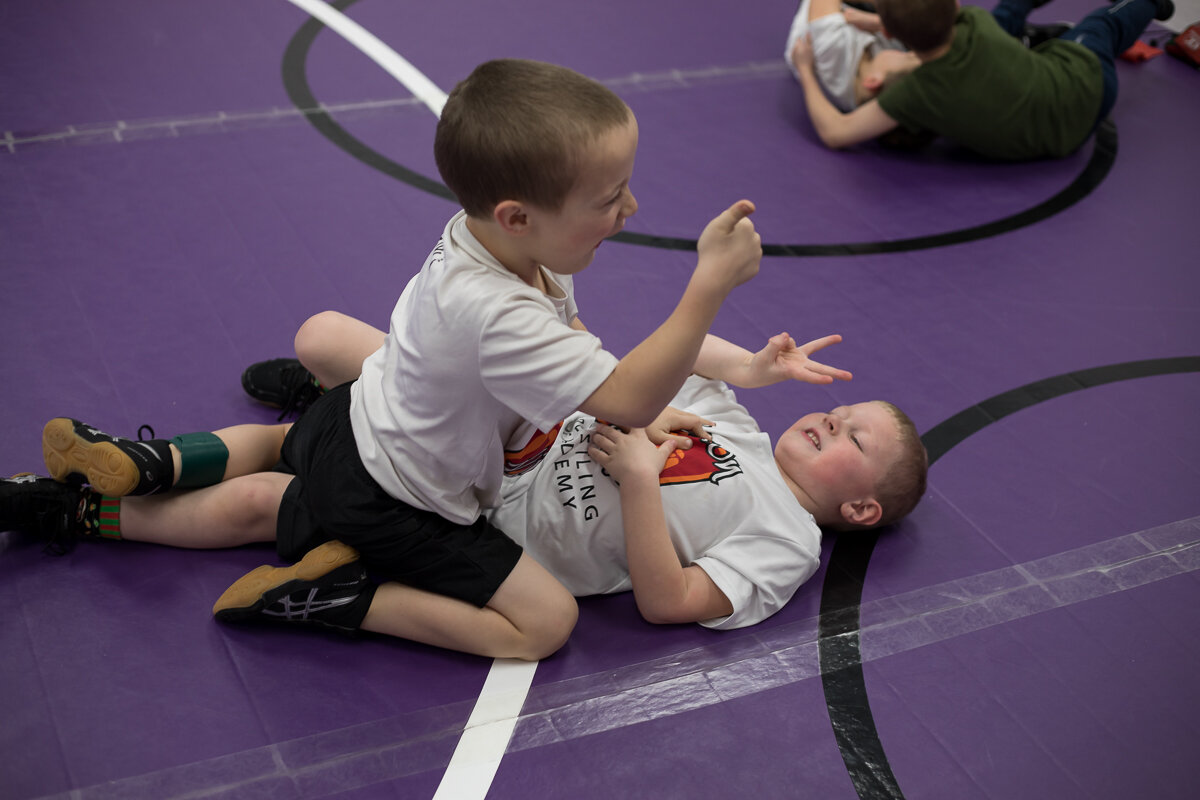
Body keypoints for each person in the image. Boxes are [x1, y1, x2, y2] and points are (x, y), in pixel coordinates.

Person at [10, 58, 771, 662]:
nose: (630, 209)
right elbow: (624, 399)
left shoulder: (501, 245)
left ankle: (151, 463)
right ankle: (341, 599)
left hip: (354, 414)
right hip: (401, 500)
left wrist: (635, 395)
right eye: (611, 197)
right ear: (520, 215)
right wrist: (708, 287)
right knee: (544, 624)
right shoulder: (500, 309)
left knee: (275, 458)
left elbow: (586, 362)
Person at [1, 322, 926, 632]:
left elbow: (671, 601)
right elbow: (662, 362)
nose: (830, 416)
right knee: (324, 340)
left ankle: (84, 511)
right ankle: (325, 392)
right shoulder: (742, 425)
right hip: (501, 433)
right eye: (844, 405)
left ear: (859, 503)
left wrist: (641, 481)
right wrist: (756, 368)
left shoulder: (789, 539)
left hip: (486, 511)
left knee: (266, 496)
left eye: (851, 435)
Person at [791, 0, 1176, 159]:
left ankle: (1028, 41)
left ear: (892, 34)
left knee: (1009, 18)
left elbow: (836, 133)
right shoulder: (974, 23)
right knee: (1101, 25)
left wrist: (807, 72)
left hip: (1054, 142)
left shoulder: (919, 93)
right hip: (1083, 83)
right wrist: (881, 21)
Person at [785, 0, 919, 113]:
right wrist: (878, 22)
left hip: (822, 13)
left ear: (873, 82)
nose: (911, 54)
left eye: (907, 58)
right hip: (857, 21)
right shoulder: (870, 89)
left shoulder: (833, 49)